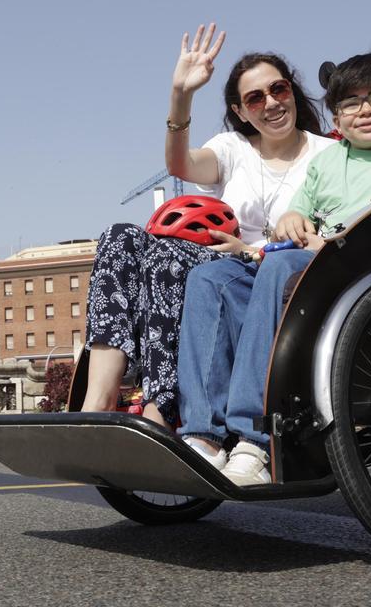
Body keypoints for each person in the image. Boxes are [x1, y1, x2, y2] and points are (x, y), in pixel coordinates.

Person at [179, 53, 371, 485]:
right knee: (211, 277)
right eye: (350, 104)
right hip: (316, 267)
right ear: (336, 118)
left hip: (369, 272)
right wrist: (292, 222)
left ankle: (255, 438)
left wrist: (334, 243)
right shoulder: (327, 161)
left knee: (282, 262)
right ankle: (203, 436)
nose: (364, 110)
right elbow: (297, 214)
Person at [80, 24, 332, 429]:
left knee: (166, 255)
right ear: (241, 111)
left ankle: (159, 407)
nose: (270, 103)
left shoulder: (329, 155)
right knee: (119, 237)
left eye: (278, 90)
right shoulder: (233, 149)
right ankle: (98, 401)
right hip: (219, 259)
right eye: (255, 98)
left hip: (274, 270)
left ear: (292, 91)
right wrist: (182, 94)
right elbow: (180, 165)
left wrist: (249, 250)